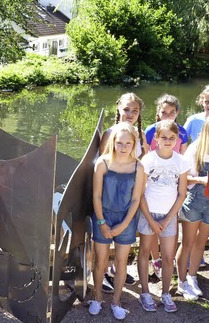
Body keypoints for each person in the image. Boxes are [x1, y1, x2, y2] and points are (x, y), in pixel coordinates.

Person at [88, 122, 144, 320]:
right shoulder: (102, 163)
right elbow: (96, 196)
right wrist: (102, 222)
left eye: (128, 143)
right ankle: (97, 298)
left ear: (134, 144)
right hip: (103, 215)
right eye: (119, 142)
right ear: (113, 142)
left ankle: (116, 302)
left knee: (121, 262)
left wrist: (124, 224)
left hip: (126, 218)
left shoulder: (138, 167)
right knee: (100, 261)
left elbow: (136, 199)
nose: (123, 147)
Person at [176, 114, 209, 300]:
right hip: (194, 202)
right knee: (188, 242)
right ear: (205, 131)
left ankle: (192, 276)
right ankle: (181, 281)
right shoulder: (194, 149)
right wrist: (201, 179)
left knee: (201, 243)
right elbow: (183, 178)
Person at [137, 120, 190, 313]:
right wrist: (151, 220)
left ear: (177, 140)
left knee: (168, 257)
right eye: (164, 137)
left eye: (172, 138)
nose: (168, 141)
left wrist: (167, 219)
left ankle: (166, 292)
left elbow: (182, 194)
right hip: (148, 213)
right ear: (156, 139)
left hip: (169, 216)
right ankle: (145, 292)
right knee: (144, 252)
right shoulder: (147, 160)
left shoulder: (181, 162)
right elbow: (140, 194)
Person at [99, 92, 146, 292]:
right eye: (126, 109)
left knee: (123, 234)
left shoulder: (140, 135)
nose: (130, 113)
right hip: (109, 192)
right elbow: (100, 163)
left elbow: (145, 162)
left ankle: (115, 269)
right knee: (103, 237)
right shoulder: (111, 134)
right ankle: (102, 273)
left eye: (135, 110)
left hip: (131, 193)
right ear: (118, 108)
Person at [144, 93, 188, 279]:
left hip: (173, 183)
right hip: (154, 183)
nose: (167, 115)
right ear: (158, 112)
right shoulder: (150, 131)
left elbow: (183, 155)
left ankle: (166, 260)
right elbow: (146, 156)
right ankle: (156, 260)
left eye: (171, 112)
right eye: (164, 112)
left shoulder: (182, 132)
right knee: (151, 230)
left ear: (177, 113)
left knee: (170, 227)